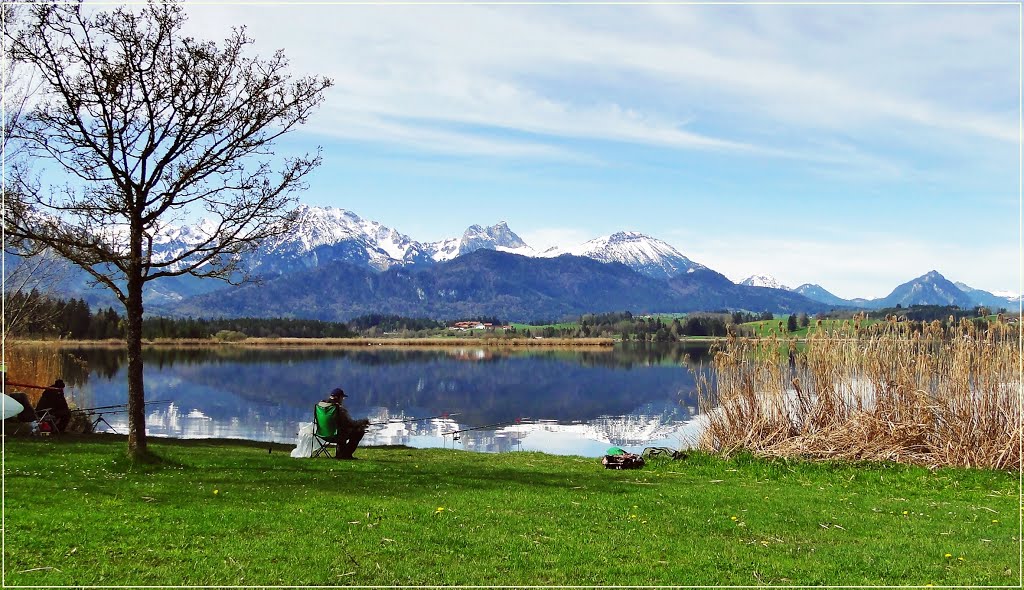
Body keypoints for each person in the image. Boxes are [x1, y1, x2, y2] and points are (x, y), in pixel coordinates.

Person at [318, 387, 369, 460]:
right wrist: (363, 422)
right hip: (336, 436)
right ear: (337, 397)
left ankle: (340, 454)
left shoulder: (321, 406)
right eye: (342, 398)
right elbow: (351, 423)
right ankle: (346, 455)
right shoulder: (338, 408)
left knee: (342, 429)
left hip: (322, 434)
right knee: (359, 431)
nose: (342, 400)